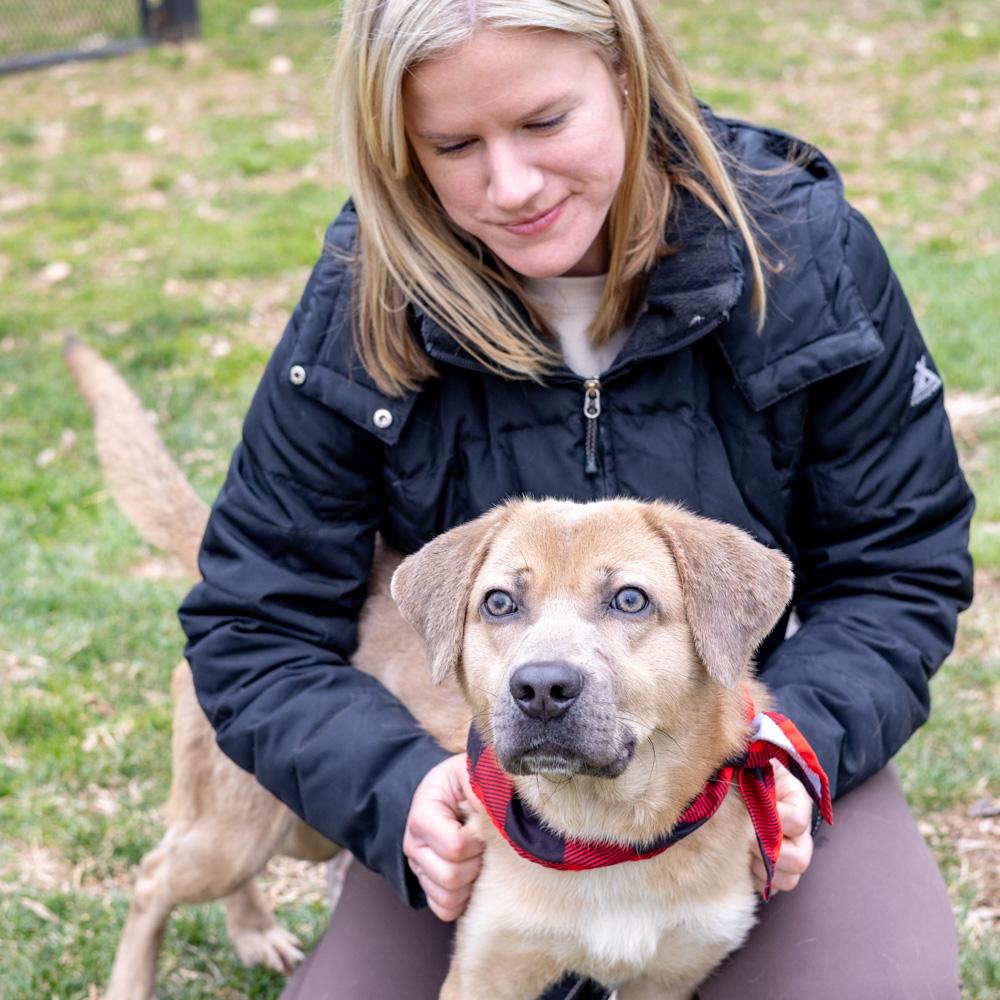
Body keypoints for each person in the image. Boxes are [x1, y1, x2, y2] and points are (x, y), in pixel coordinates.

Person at [178, 1, 974, 997]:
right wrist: (394, 791)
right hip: (478, 792)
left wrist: (797, 740)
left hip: (729, 769)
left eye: (546, 122)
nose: (509, 186)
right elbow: (254, 624)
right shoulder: (364, 294)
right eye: (453, 144)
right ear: (397, 148)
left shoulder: (800, 251)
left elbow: (895, 568)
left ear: (631, 77)